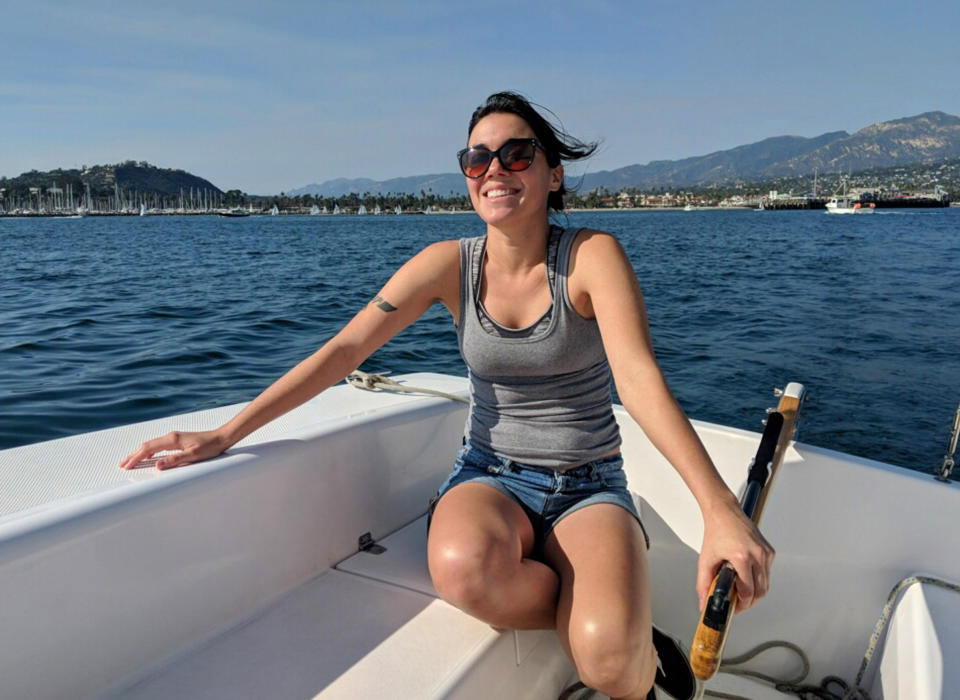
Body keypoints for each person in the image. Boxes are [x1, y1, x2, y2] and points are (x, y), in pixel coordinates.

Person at [120, 91, 774, 700]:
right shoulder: (446, 265)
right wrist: (226, 433)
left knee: (611, 668)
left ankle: (626, 637)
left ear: (554, 175)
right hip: (490, 476)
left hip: (588, 481)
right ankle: (601, 611)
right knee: (465, 571)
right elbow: (344, 352)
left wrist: (719, 509)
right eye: (477, 157)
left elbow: (637, 378)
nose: (495, 168)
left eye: (517, 153)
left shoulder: (592, 256)